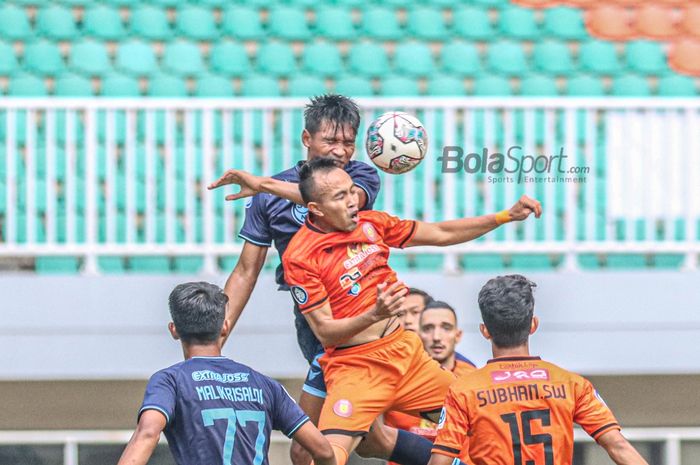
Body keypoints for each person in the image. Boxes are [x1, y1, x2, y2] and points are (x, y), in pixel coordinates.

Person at [282, 157, 542, 465]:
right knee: (327, 457)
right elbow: (324, 330)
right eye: (340, 197)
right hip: (356, 367)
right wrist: (374, 314)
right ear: (316, 209)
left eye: (352, 191)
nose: (353, 201)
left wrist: (503, 216)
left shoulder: (371, 223)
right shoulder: (300, 256)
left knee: (496, 418)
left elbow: (441, 233)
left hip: (408, 356)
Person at [428, 275, 650, 465]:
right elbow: (618, 446)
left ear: (485, 331)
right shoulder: (572, 384)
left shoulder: (464, 390)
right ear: (533, 325)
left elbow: (441, 460)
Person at [116, 282, 335, 465]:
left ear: (174, 330)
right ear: (225, 327)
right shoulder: (265, 385)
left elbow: (147, 434)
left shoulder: (170, 382)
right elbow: (324, 451)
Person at [385, 300, 477, 465]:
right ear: (417, 333)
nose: (436, 337)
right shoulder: (394, 375)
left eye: (446, 328)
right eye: (428, 328)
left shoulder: (473, 378)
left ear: (458, 335)